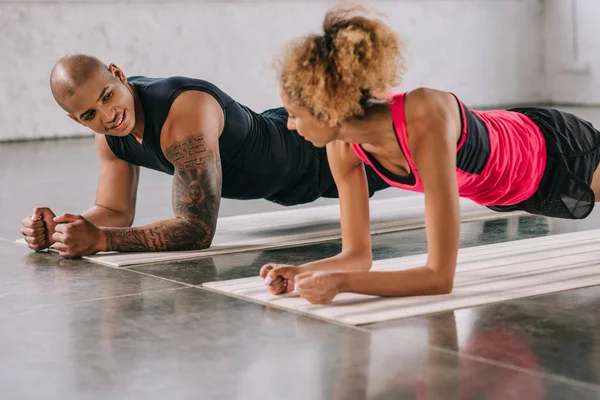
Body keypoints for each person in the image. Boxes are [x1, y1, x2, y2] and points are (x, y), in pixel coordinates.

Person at [260, 4, 600, 304]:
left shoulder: (424, 117)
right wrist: (301, 274)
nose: (289, 125)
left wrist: (341, 284)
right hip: (507, 190)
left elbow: (439, 277)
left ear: (328, 111)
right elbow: (357, 256)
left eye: (294, 115)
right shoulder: (342, 147)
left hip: (556, 153)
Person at [19, 54, 389, 258]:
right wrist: (62, 230)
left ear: (118, 74)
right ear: (76, 120)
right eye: (89, 116)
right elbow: (115, 213)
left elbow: (196, 230)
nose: (108, 116)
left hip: (319, 153)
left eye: (107, 97)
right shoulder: (111, 138)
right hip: (285, 166)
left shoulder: (184, 113)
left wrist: (102, 241)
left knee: (435, 152)